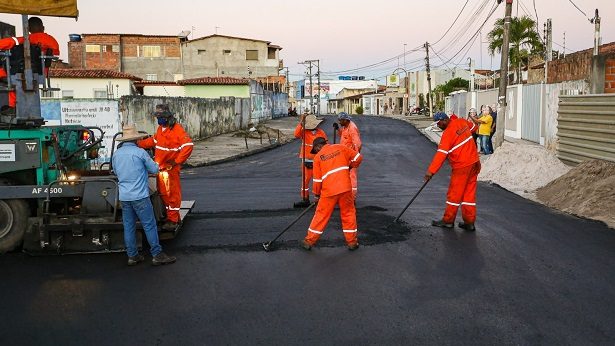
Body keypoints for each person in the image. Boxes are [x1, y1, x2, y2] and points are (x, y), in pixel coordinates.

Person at [113, 124, 176, 266]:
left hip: (124, 197)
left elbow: (116, 172)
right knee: (149, 224)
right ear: (136, 139)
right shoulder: (140, 153)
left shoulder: (117, 154)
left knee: (129, 226)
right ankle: (157, 254)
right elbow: (154, 168)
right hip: (140, 196)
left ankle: (132, 256)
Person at [138, 104, 193, 231]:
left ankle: (173, 220)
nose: (159, 120)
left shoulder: (177, 130)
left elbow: (188, 145)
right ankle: (171, 217)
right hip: (161, 169)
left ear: (168, 117)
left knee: (172, 194)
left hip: (170, 170)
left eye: (161, 117)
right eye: (157, 117)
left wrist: (177, 161)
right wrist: (138, 144)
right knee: (164, 194)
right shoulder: (160, 129)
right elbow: (153, 141)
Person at [301, 137, 363, 251]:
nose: (316, 153)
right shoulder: (341, 147)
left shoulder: (318, 158)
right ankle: (352, 243)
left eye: (316, 150)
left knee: (321, 215)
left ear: (318, 147)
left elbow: (317, 181)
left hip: (329, 192)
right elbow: (358, 158)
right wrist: (350, 166)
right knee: (349, 214)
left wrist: (316, 195)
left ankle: (309, 241)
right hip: (345, 189)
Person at [424, 112, 481, 231]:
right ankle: (469, 222)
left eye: (438, 123)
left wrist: (431, 171)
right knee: (468, 194)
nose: (438, 126)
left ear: (444, 120)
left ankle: (448, 220)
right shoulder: (461, 121)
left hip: (462, 166)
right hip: (474, 162)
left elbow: (441, 154)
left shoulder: (447, 134)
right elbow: (474, 128)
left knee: (454, 194)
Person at [0, 17, 60, 108]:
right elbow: (55, 54)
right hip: (41, 73)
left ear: (28, 29)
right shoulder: (53, 41)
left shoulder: (26, 39)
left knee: (10, 78)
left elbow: (8, 42)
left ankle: (12, 107)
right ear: (43, 28)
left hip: (21, 72)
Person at [293, 112, 328, 207]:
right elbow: (296, 134)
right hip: (307, 160)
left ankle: (320, 199)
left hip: (319, 161)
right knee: (305, 181)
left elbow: (326, 146)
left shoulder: (321, 132)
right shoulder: (304, 132)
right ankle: (305, 199)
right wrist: (301, 122)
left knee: (319, 181)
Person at [335, 112, 362, 199]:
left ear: (345, 120)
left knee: (352, 176)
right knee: (344, 176)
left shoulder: (352, 128)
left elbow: (357, 144)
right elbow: (344, 137)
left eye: (340, 120)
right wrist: (338, 129)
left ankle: (352, 197)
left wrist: (355, 159)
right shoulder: (345, 127)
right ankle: (345, 195)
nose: (339, 122)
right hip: (343, 156)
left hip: (350, 157)